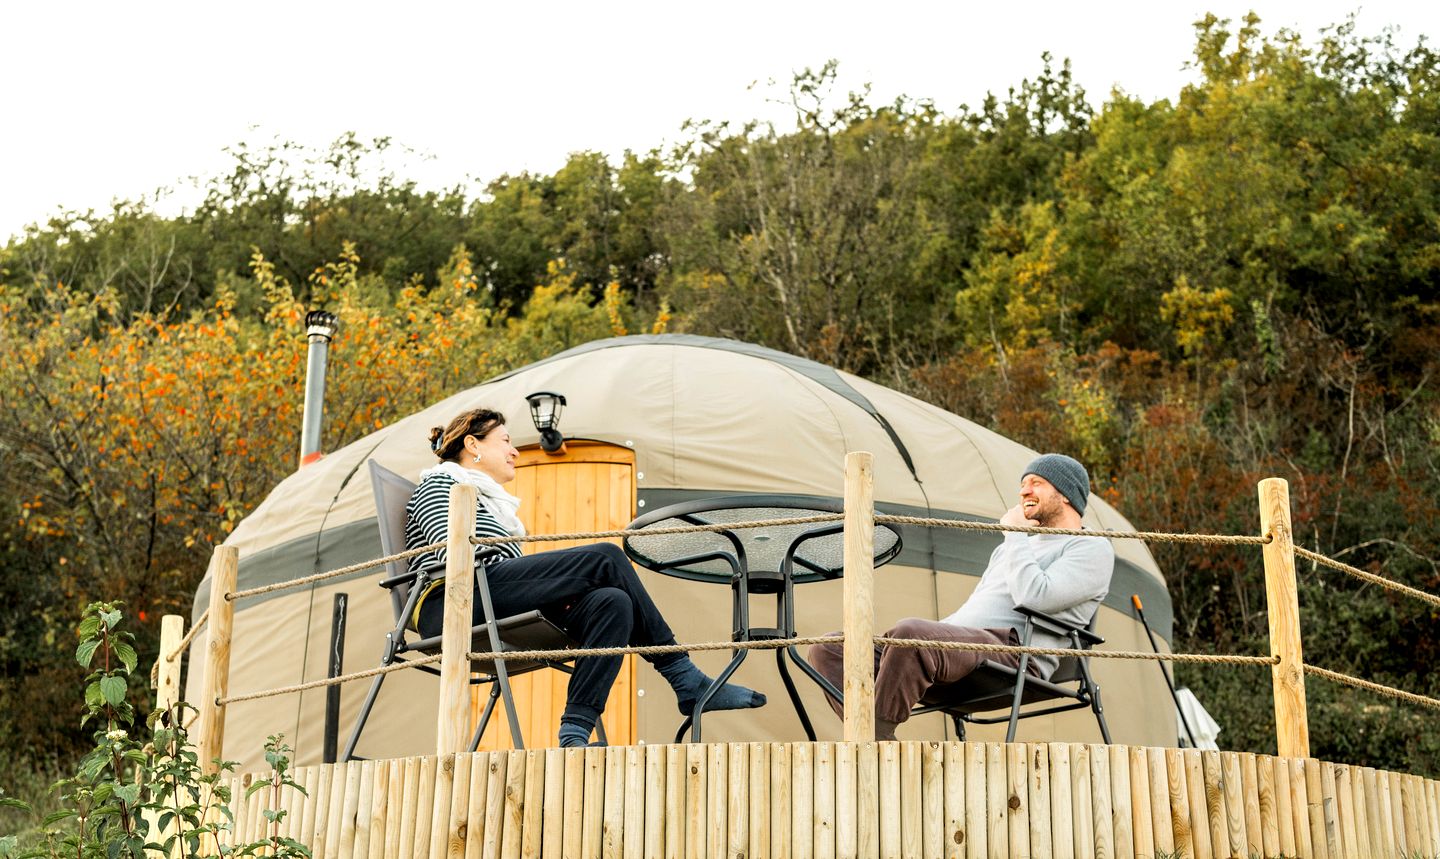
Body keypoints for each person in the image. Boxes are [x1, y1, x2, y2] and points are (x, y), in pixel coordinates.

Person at [405, 407, 766, 748]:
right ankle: (684, 677)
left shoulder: (491, 502)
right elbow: (453, 556)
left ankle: (574, 733)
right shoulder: (440, 485)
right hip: (452, 604)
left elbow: (499, 570)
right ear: (473, 445)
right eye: (505, 441)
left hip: (488, 597)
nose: (514, 451)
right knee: (606, 557)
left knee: (613, 603)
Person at [808, 453, 1114, 740]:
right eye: (1023, 484)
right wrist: (929, 636)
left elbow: (1035, 597)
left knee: (912, 634)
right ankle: (876, 741)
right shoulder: (1012, 547)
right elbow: (976, 607)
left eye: (1036, 483)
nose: (1024, 491)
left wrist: (1015, 535)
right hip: (961, 652)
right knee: (831, 648)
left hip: (1014, 654)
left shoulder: (1090, 547)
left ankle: (871, 743)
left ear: (1066, 493)